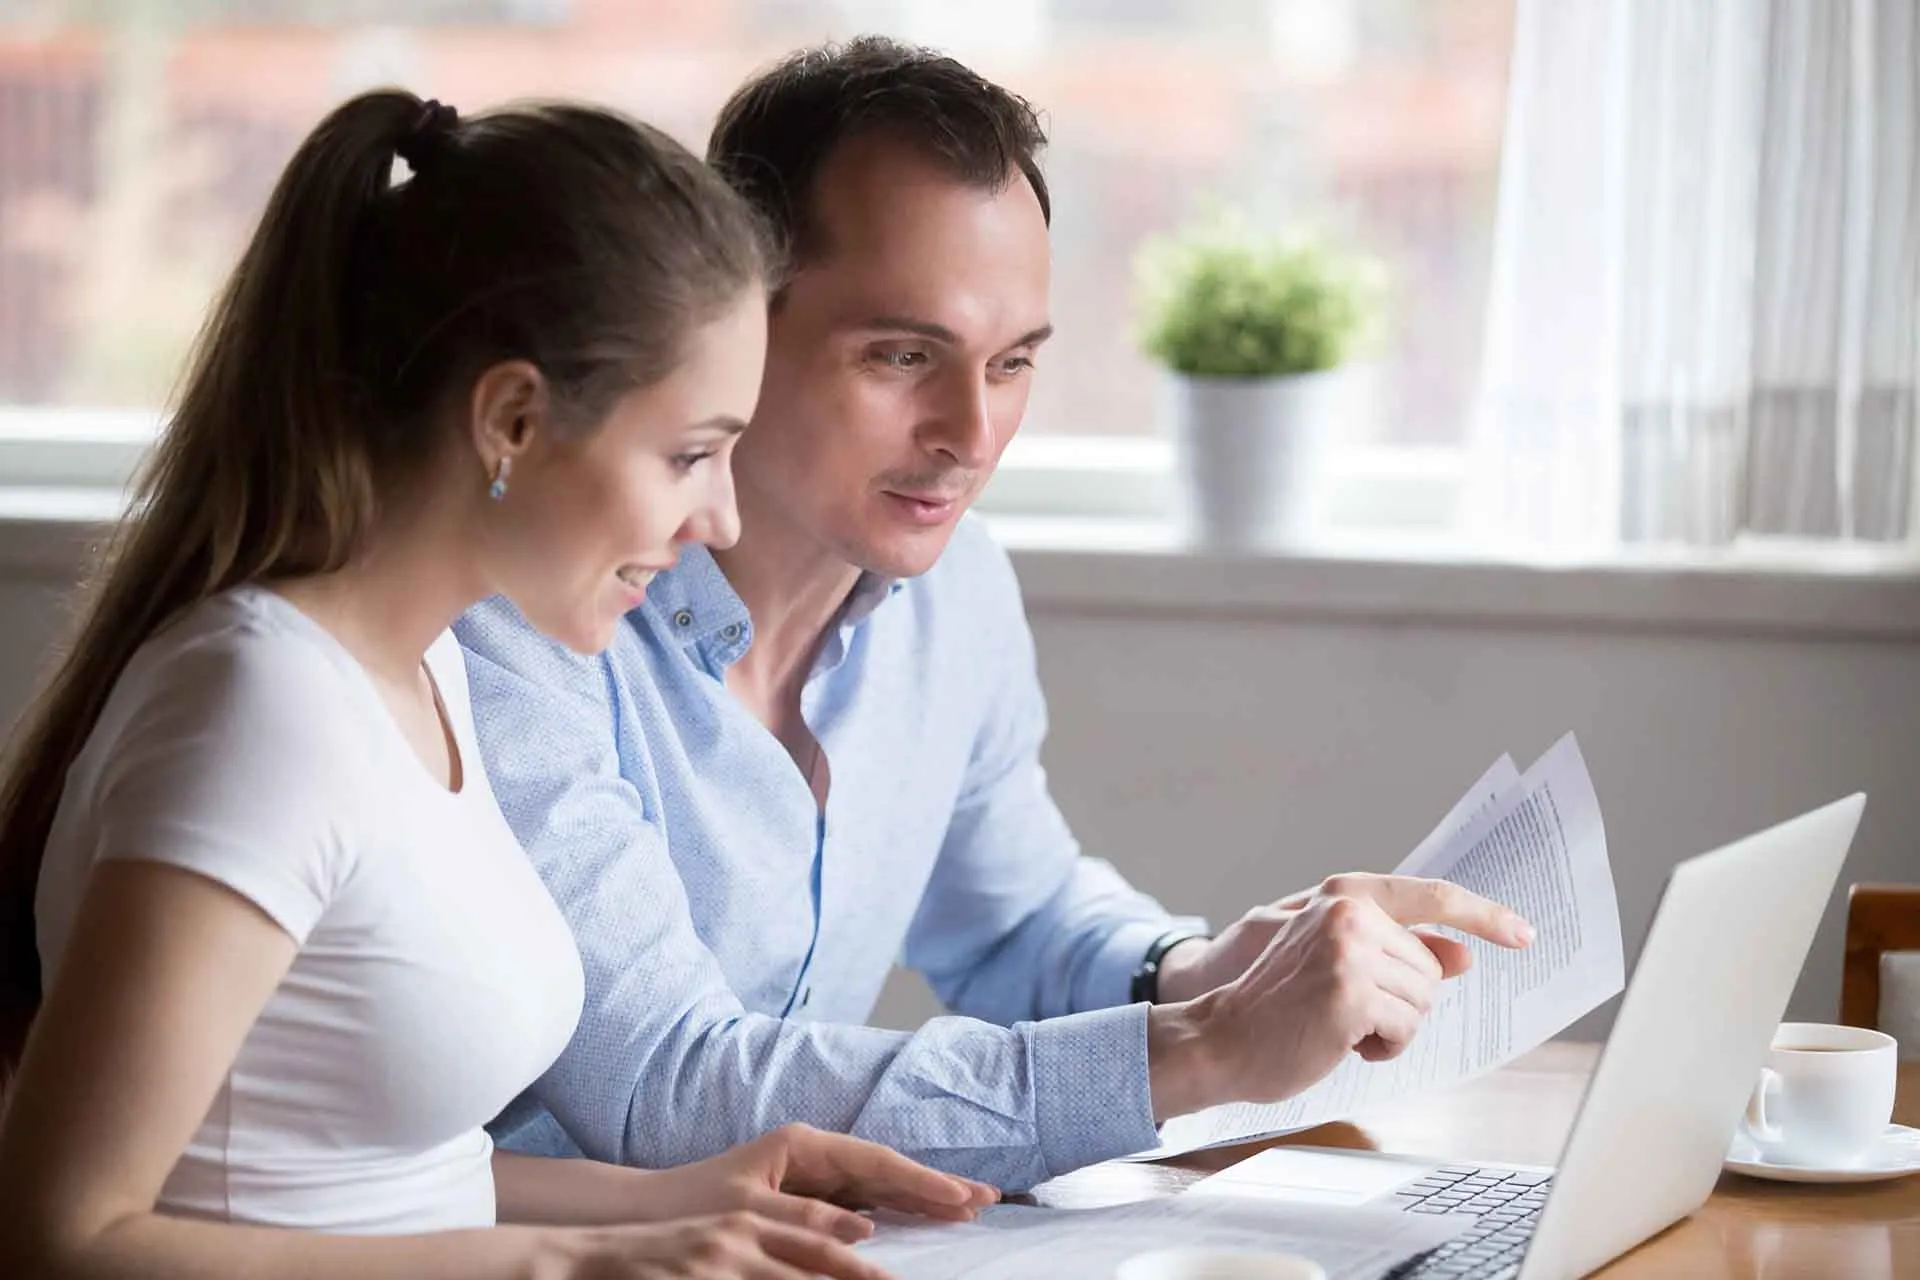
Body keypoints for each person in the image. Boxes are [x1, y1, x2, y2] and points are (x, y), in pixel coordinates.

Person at [456, 38, 1535, 1193]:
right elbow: (664, 1087)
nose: (970, 434)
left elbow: (1013, 920)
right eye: (904, 354)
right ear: (736, 320)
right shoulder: (519, 617)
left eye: (1012, 362)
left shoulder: (954, 588)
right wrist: (1202, 1047)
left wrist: (1205, 968)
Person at [0, 88, 997, 1280]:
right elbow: (64, 1234)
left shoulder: (425, 667)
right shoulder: (259, 711)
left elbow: (366, 1175)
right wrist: (559, 1264)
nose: (719, 515)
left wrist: (675, 1195)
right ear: (513, 418)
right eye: (689, 453)